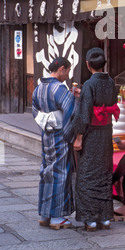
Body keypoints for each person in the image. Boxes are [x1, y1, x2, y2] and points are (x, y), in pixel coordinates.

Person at [73, 47, 119, 231]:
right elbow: (109, 103)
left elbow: (84, 114)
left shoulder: (89, 84)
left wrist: (78, 137)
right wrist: (83, 95)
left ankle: (91, 218)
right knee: (104, 173)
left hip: (91, 133)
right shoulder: (111, 82)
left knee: (87, 174)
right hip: (106, 132)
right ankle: (106, 217)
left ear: (87, 64)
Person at [32, 57, 79, 230]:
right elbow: (70, 111)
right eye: (67, 71)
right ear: (62, 69)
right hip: (60, 135)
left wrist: (46, 126)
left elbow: (35, 112)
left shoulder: (38, 88)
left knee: (46, 171)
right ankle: (57, 217)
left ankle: (45, 214)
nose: (67, 75)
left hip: (47, 135)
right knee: (61, 173)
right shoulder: (59, 88)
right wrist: (70, 135)